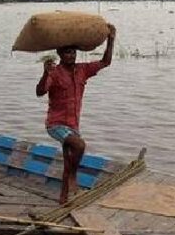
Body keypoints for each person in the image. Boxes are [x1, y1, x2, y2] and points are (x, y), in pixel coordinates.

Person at [36, 24, 116, 204]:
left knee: (69, 160)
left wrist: (111, 39)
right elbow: (40, 92)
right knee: (79, 145)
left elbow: (105, 62)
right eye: (67, 53)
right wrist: (45, 73)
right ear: (60, 54)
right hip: (56, 124)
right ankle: (73, 177)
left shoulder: (82, 70)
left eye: (73, 52)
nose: (71, 55)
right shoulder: (54, 73)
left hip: (73, 125)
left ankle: (63, 199)